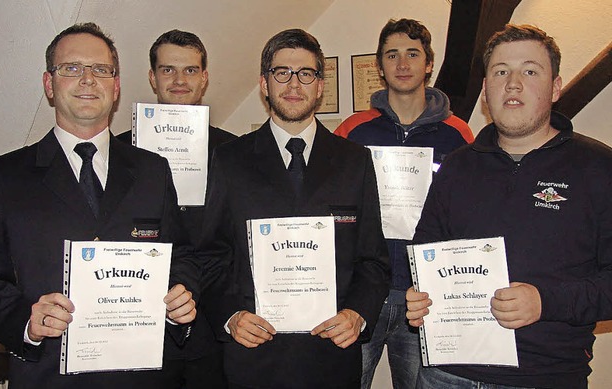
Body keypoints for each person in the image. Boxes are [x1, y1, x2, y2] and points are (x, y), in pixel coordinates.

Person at [0, 22, 197, 389]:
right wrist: (25, 321)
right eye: (72, 68)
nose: (88, 80)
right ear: (49, 84)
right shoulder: (5, 176)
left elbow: (182, 254)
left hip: (144, 378)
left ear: (116, 85)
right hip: (47, 375)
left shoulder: (153, 170)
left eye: (101, 70)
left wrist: (182, 294)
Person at [406, 24, 612, 389]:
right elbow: (425, 252)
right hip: (445, 374)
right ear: (486, 90)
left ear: (556, 87)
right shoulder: (456, 166)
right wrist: (418, 295)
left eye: (530, 71)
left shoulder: (598, 167)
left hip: (545, 377)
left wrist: (544, 302)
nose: (513, 83)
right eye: (501, 72)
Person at [198, 29, 390, 389]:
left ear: (320, 85)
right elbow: (211, 255)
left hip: (331, 355)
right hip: (253, 358)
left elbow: (373, 260)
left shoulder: (355, 161)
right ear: (264, 84)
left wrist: (358, 315)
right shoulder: (229, 160)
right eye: (281, 73)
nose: (293, 84)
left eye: (306, 74)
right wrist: (230, 316)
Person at [334, 18, 473, 389]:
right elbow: (328, 200)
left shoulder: (459, 134)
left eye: (413, 54)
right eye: (391, 55)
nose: (402, 63)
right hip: (361, 291)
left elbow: (469, 213)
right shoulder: (352, 130)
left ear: (429, 63)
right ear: (379, 66)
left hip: (425, 297)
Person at [118, 29, 236, 389]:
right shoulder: (118, 154)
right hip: (139, 322)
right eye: (168, 70)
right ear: (152, 78)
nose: (179, 80)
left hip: (215, 325)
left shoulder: (234, 154)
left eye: (190, 70)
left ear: (204, 79)